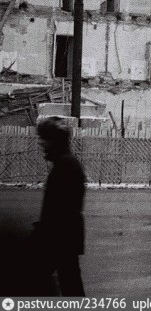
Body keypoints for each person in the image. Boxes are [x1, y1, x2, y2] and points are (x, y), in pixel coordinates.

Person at [34, 117, 87, 296]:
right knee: (69, 284)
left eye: (45, 138)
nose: (41, 143)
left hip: (59, 238)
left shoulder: (65, 165)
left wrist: (43, 234)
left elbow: (61, 210)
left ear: (56, 141)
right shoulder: (65, 163)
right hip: (64, 237)